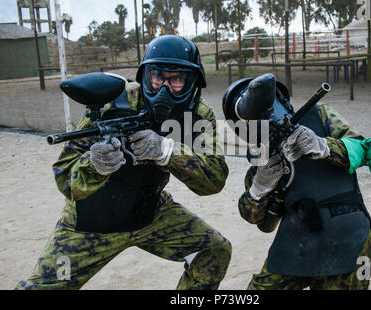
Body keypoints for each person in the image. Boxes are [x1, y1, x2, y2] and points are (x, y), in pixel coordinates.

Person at [16, 35, 231, 290]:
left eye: (176, 79)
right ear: (145, 76)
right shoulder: (113, 102)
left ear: (192, 82)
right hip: (89, 224)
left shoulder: (197, 114)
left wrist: (168, 151)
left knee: (215, 250)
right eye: (157, 77)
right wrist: (93, 164)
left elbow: (214, 180)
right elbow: (64, 177)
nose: (163, 88)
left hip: (149, 214)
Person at [222, 74, 371, 290]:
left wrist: (323, 146)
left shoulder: (320, 116)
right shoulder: (259, 162)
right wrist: (258, 189)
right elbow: (257, 221)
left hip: (348, 233)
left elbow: (363, 149)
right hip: (296, 240)